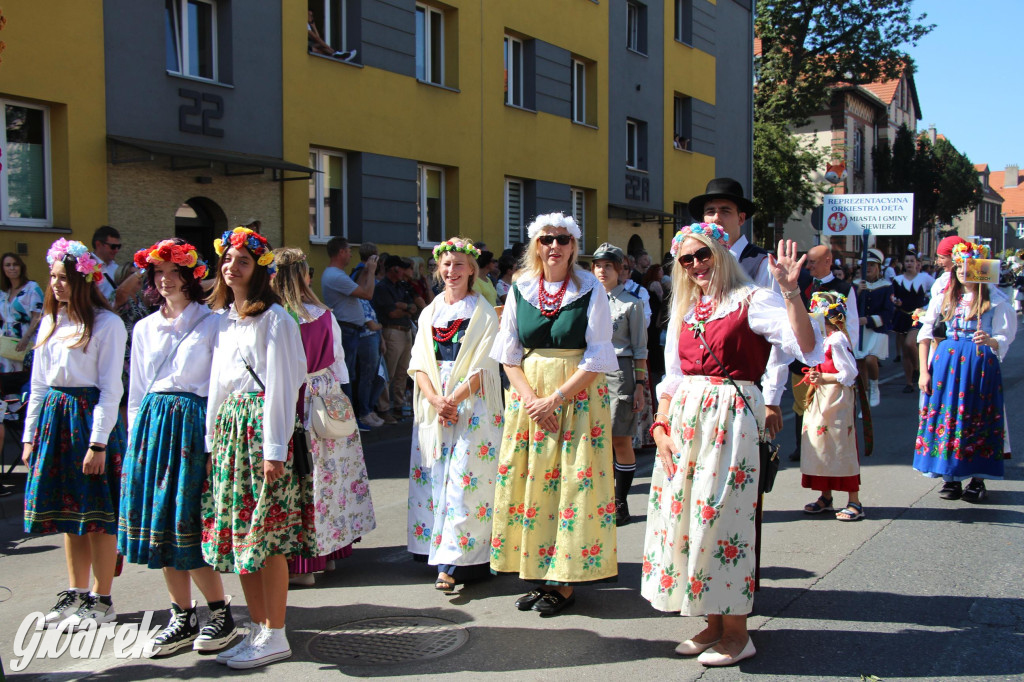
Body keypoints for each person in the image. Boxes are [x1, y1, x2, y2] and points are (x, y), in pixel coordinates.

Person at [642, 224, 821, 666]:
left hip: (731, 419)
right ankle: (713, 622)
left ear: (721, 253)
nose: (696, 266)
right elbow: (672, 375)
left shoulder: (754, 300)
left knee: (722, 521)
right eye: (686, 260)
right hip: (686, 420)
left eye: (703, 255)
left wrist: (790, 292)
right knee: (687, 521)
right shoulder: (687, 308)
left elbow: (806, 345)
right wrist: (661, 425)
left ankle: (738, 632)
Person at [490, 212, 619, 616]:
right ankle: (539, 573)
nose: (555, 247)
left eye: (563, 239)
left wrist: (556, 399)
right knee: (533, 482)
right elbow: (508, 352)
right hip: (529, 396)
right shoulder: (520, 288)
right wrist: (532, 400)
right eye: (547, 239)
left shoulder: (590, 288)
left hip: (575, 397)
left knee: (571, 486)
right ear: (536, 245)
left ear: (573, 246)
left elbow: (599, 355)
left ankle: (564, 580)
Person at [118, 239, 237, 656]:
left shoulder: (213, 323)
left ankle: (220, 612)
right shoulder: (145, 327)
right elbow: (135, 392)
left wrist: (209, 446)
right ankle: (181, 616)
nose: (165, 281)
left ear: (190, 276)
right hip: (154, 429)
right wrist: (135, 443)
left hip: (190, 427)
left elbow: (219, 386)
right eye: (158, 273)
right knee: (161, 524)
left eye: (173, 273)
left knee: (187, 522)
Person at [201, 227, 309, 669]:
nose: (232, 267)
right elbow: (217, 386)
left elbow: (284, 385)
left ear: (258, 269)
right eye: (228, 260)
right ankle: (259, 628)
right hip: (231, 435)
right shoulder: (226, 319)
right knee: (242, 537)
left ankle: (278, 632)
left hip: (261, 431)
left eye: (242, 261)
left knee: (269, 536)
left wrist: (274, 449)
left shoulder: (275, 319)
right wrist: (211, 440)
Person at [21, 239, 128, 628]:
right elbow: (38, 384)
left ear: (84, 280)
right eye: (53, 277)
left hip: (88, 421)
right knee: (69, 515)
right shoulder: (52, 321)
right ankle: (76, 592)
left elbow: (111, 388)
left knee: (97, 516)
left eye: (64, 278)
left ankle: (102, 599)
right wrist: (29, 436)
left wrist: (98, 441)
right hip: (56, 419)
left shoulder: (107, 324)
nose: (56, 285)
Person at [270, 248, 376, 587]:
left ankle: (302, 562)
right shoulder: (323, 314)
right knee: (326, 479)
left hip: (292, 397)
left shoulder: (274, 317)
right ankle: (327, 555)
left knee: (297, 479)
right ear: (305, 276)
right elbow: (340, 364)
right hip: (324, 396)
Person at [407, 238, 502, 592]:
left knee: (466, 479)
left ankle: (455, 560)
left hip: (471, 402)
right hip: (435, 401)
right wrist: (435, 399)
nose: (452, 271)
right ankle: (436, 551)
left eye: (459, 265)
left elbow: (486, 365)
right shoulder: (430, 311)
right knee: (434, 476)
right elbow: (418, 362)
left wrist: (455, 399)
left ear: (472, 270)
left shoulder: (483, 312)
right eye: (446, 265)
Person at [915, 241, 1016, 503]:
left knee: (975, 415)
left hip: (979, 363)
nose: (962, 271)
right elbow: (925, 334)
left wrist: (992, 341)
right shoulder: (944, 297)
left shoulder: (994, 299)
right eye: (958, 266)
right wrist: (923, 372)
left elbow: (1005, 335)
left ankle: (977, 478)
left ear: (979, 269)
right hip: (947, 362)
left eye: (968, 266)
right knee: (948, 414)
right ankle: (950, 476)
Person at [591, 243, 647, 526]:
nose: (602, 271)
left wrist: (640, 384)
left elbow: (639, 349)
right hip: (588, 373)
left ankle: (620, 501)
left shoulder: (631, 303)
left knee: (619, 437)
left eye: (608, 266)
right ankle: (597, 499)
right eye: (598, 265)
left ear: (620, 270)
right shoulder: (584, 299)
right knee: (592, 438)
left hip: (619, 372)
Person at [787, 245, 857, 463]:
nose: (808, 267)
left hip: (830, 359)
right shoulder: (799, 284)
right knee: (802, 404)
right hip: (802, 357)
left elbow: (851, 325)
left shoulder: (843, 288)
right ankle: (803, 445)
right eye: (807, 262)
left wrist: (848, 354)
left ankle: (831, 446)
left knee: (828, 405)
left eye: (813, 263)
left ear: (828, 260)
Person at [799, 292, 863, 521]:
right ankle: (825, 496)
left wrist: (824, 378)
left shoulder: (836, 339)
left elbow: (850, 373)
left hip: (836, 398)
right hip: (821, 396)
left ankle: (854, 500)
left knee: (840, 444)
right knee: (820, 443)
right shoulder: (822, 338)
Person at [321, 237, 378, 402]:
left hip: (350, 329)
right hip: (346, 330)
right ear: (341, 252)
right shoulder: (335, 276)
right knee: (346, 374)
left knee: (351, 372)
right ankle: (349, 416)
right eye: (349, 251)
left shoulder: (336, 274)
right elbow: (367, 294)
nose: (351, 255)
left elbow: (357, 288)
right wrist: (372, 271)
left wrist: (366, 271)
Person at [373, 255, 419, 422]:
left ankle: (399, 406)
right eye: (400, 268)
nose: (402, 271)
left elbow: (413, 307)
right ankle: (383, 408)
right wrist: (406, 308)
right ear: (393, 269)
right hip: (391, 331)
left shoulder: (401, 286)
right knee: (389, 373)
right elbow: (392, 312)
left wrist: (404, 307)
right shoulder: (382, 288)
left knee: (402, 372)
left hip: (405, 330)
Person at [852, 249, 894, 408]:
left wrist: (868, 320)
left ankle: (874, 386)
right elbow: (847, 306)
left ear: (878, 267)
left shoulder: (886, 286)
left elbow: (888, 312)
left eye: (872, 265)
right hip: (860, 330)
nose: (868, 268)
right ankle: (864, 398)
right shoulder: (856, 285)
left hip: (876, 329)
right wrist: (857, 293)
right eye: (866, 265)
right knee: (860, 363)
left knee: (871, 359)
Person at [892, 250, 934, 393]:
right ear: (903, 264)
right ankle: (909, 382)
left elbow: (937, 293)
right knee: (906, 351)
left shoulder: (925, 278)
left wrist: (926, 306)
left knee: (910, 343)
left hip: (918, 317)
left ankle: (918, 369)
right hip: (903, 315)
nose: (909, 263)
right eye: (907, 261)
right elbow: (893, 296)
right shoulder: (897, 280)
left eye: (912, 261)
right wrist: (895, 302)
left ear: (917, 263)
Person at [1, 253, 43, 374]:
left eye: (15, 264)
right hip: (6, 345)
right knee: (7, 382)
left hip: (25, 340)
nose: (12, 268)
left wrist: (25, 338)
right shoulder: (4, 292)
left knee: (23, 377)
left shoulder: (32, 288)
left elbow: (38, 315)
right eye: (8, 265)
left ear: (21, 267)